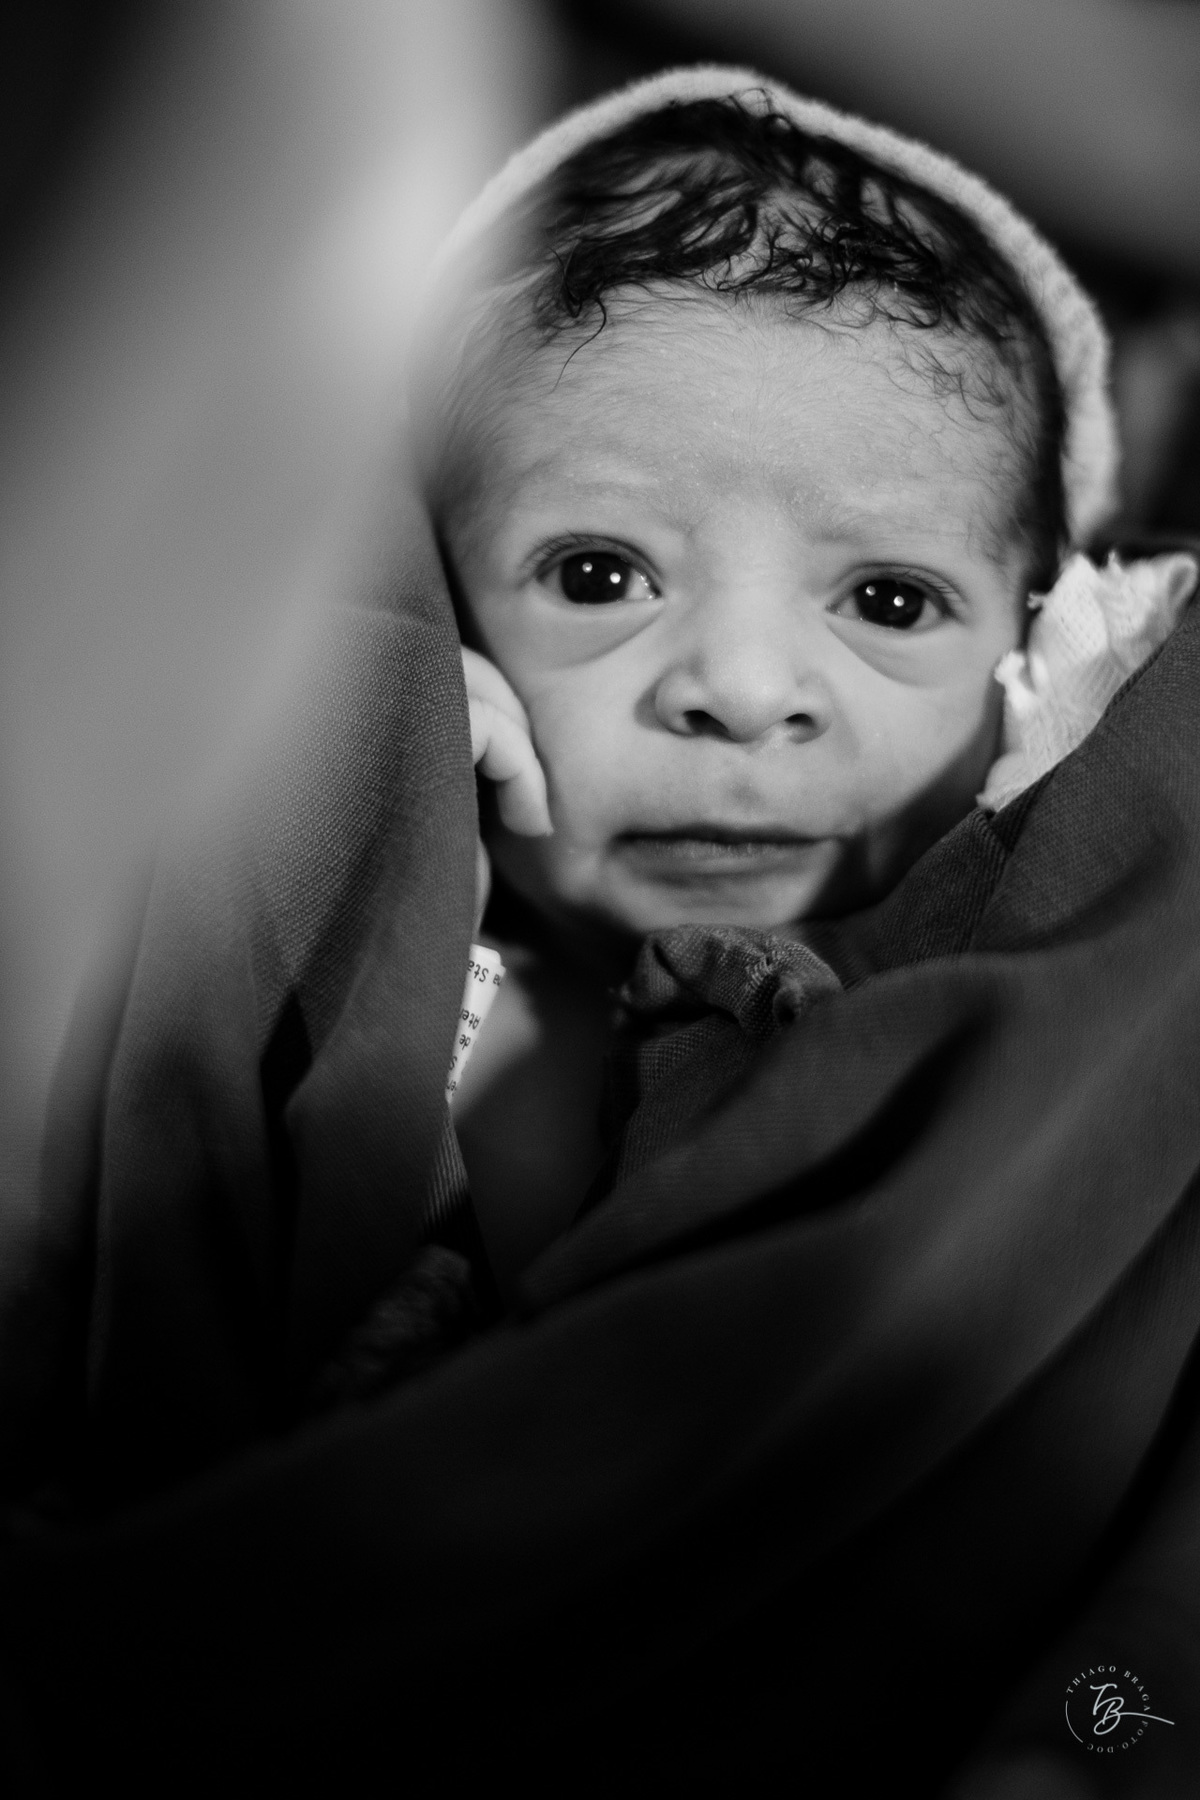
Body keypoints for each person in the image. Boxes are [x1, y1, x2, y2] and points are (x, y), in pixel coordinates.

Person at [2, 67, 1199, 1798]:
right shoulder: (390, 964)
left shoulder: (1047, 991)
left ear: (1040, 639)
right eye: (598, 576)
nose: (738, 690)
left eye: (885, 601)